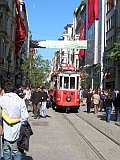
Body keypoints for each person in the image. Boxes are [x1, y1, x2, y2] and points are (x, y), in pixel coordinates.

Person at [0, 82, 29, 160]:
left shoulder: (1, 99)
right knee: (16, 152)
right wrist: (19, 120)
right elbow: (25, 117)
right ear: (14, 90)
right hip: (17, 130)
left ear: (4, 90)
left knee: (6, 150)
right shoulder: (20, 100)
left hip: (5, 131)